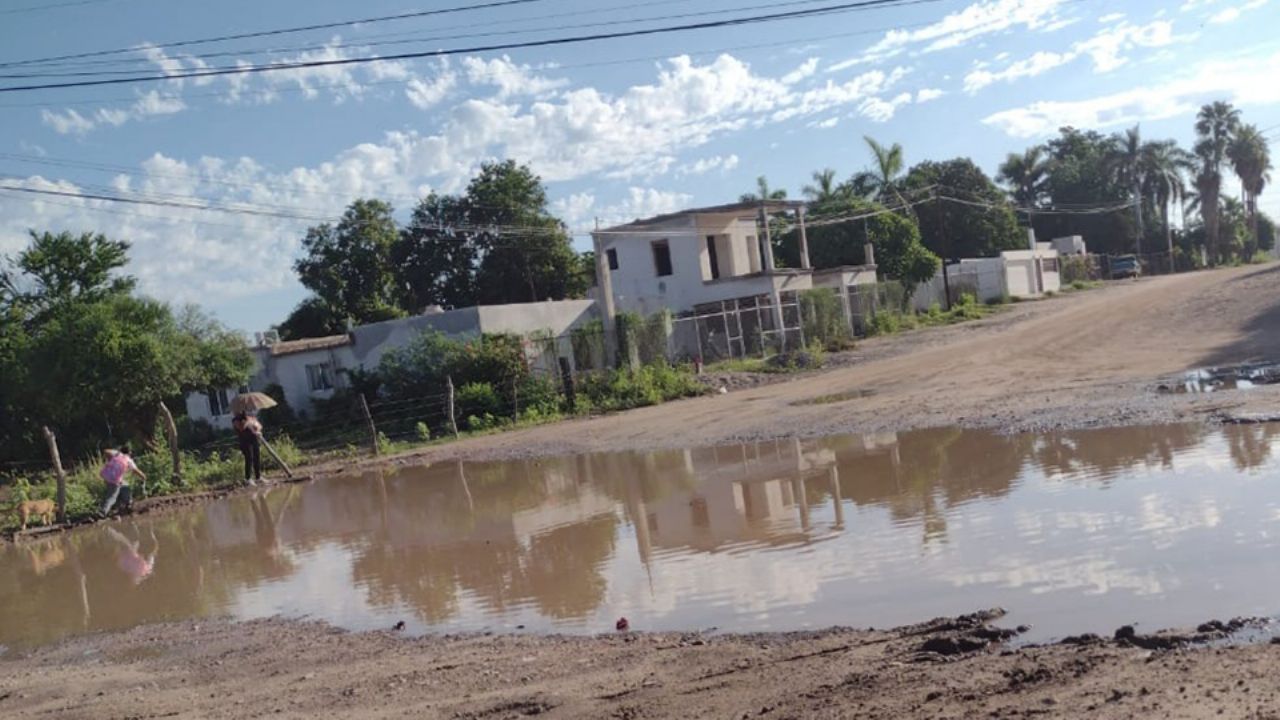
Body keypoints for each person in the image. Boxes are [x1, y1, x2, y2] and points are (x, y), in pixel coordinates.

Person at [100, 446, 145, 518]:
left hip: (107, 476)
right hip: (114, 480)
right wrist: (143, 477)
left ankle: (128, 503)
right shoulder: (128, 460)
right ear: (129, 452)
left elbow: (106, 450)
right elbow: (136, 471)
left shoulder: (117, 454)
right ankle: (103, 512)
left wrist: (110, 458)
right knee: (112, 497)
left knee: (124, 485)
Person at [232, 412, 263, 486]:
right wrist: (248, 421)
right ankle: (248, 479)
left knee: (257, 458)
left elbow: (259, 425)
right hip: (245, 442)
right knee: (249, 459)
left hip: (254, 440)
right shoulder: (236, 420)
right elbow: (241, 428)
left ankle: (258, 477)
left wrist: (257, 429)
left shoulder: (250, 416)